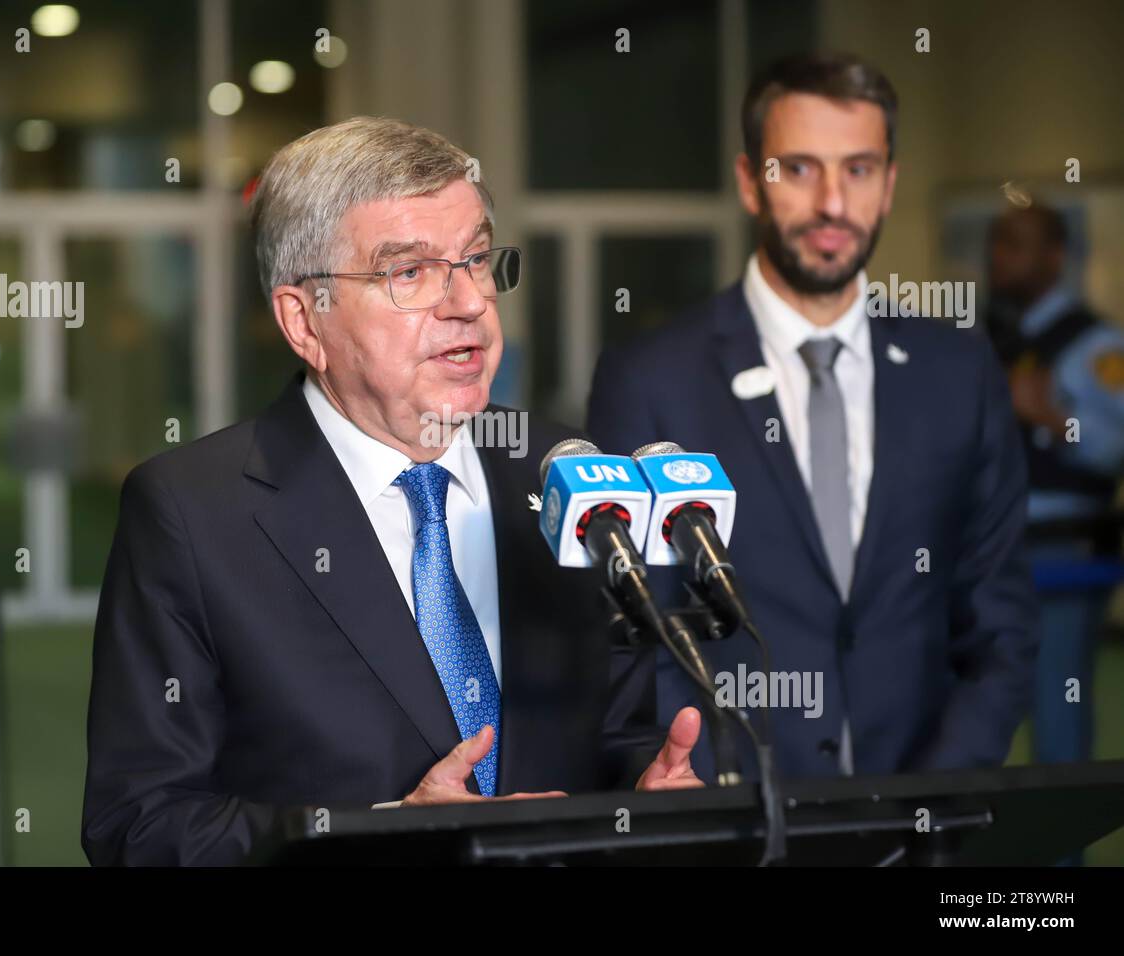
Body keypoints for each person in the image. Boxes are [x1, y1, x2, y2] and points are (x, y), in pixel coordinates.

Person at [82, 117, 700, 866]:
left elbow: (613, 734)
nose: (467, 301)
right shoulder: (191, 514)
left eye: (475, 259)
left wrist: (647, 785)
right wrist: (379, 836)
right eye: (409, 273)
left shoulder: (567, 471)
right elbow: (140, 825)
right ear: (305, 321)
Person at [587, 54, 1037, 781]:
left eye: (858, 169)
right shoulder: (652, 380)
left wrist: (929, 807)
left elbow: (999, 620)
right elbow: (636, 629)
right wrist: (706, 795)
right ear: (748, 182)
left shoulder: (960, 372)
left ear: (890, 183)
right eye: (798, 169)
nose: (833, 201)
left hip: (927, 823)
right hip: (732, 821)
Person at [985, 202, 1124, 767]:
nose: (1001, 258)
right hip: (995, 551)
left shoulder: (1095, 347)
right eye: (996, 243)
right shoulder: (994, 338)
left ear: (1055, 256)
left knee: (1058, 721)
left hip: (1064, 552)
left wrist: (1050, 418)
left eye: (1016, 244)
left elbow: (1115, 442)